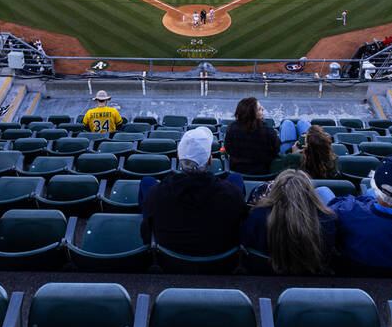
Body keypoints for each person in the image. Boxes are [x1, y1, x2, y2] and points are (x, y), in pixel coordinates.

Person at [140, 127, 245, 255]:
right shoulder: (232, 194)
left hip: (170, 263)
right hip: (220, 265)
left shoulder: (155, 194)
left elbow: (145, 234)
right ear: (210, 160)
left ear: (178, 157)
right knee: (236, 178)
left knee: (147, 181)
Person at [328, 156, 392, 271]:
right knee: (370, 194)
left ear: (374, 183)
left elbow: (333, 206)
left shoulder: (348, 211)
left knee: (324, 191)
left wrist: (361, 202)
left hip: (357, 268)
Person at [240, 170, 337, 274]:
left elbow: (246, 244)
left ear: (275, 192)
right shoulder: (327, 219)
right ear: (311, 194)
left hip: (263, 278)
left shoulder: (257, 216)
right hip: (314, 282)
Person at [223, 96, 281, 175]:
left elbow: (228, 149)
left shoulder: (232, 129)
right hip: (264, 173)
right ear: (253, 114)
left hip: (237, 172)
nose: (263, 109)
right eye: (260, 109)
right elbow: (276, 151)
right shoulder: (269, 132)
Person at [272, 124, 339, 178]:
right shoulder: (333, 160)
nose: (303, 135)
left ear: (306, 146)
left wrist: (292, 153)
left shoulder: (293, 158)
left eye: (305, 138)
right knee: (302, 122)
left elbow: (273, 168)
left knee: (287, 123)